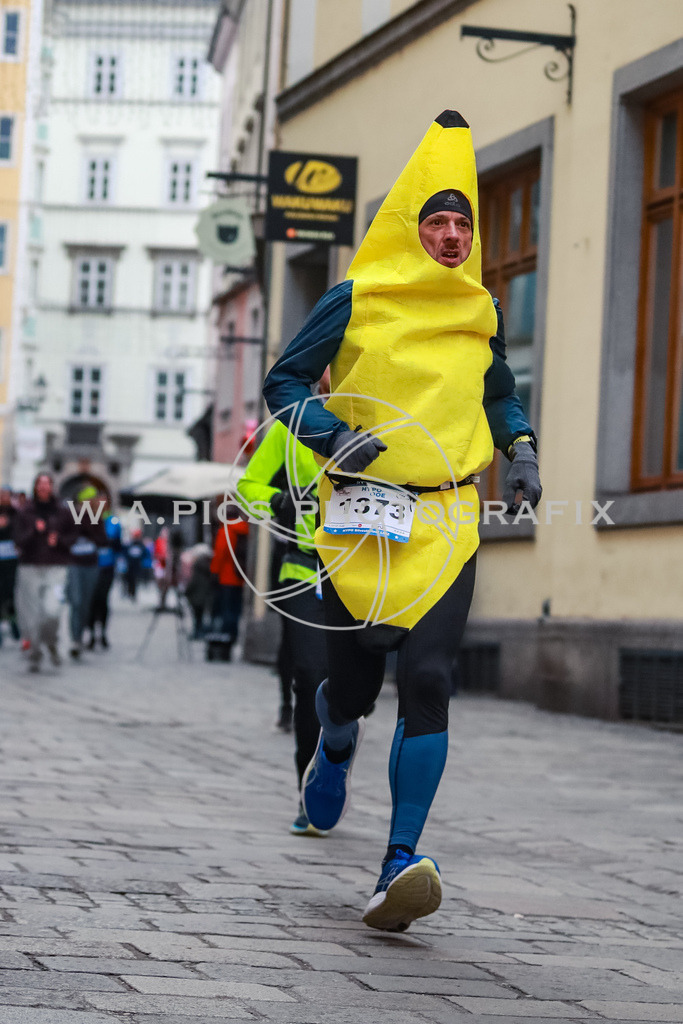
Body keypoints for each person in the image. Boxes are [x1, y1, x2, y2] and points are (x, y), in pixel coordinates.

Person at [263, 111, 542, 931]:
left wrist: (518, 445)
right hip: (360, 515)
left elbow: (498, 393)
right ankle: (335, 736)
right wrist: (330, 435)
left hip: (450, 516)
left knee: (428, 680)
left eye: (463, 223)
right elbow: (283, 383)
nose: (452, 235)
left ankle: (396, 863)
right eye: (436, 221)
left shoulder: (480, 307)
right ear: (407, 228)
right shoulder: (355, 298)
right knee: (352, 688)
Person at [237, 416, 327, 835]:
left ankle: (339, 750)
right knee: (309, 679)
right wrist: (276, 502)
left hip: (368, 578)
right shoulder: (291, 429)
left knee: (351, 693)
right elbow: (247, 487)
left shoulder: (383, 413)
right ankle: (311, 793)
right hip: (303, 572)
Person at [13, 473, 77, 671]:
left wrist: (58, 541)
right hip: (30, 566)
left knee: (52, 610)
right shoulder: (25, 512)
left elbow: (73, 536)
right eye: (40, 483)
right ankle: (34, 652)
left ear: (52, 487)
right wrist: (34, 530)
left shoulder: (63, 511)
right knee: (30, 614)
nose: (43, 487)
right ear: (35, 487)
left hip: (56, 566)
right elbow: (18, 540)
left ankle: (51, 641)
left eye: (46, 483)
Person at [65, 485, 107, 659]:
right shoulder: (69, 517)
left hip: (91, 564)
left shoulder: (97, 518)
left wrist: (89, 532)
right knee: (76, 601)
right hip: (73, 563)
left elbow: (103, 540)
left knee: (85, 604)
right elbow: (65, 537)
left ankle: (80, 635)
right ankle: (75, 639)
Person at [205, 511, 249, 661]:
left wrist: (214, 572)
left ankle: (224, 643)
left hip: (226, 577)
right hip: (239, 577)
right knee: (235, 611)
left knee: (226, 611)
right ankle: (232, 638)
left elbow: (220, 553)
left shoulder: (226, 531)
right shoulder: (244, 529)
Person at [86, 496, 122, 649]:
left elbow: (117, 543)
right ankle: (92, 633)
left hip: (107, 566)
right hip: (91, 566)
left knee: (103, 599)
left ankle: (103, 633)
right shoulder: (88, 521)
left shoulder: (113, 522)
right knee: (91, 601)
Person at [0, 487, 20, 645]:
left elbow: (21, 533)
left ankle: (14, 621)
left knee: (12, 592)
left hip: (12, 561)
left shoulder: (16, 513)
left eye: (5, 495)